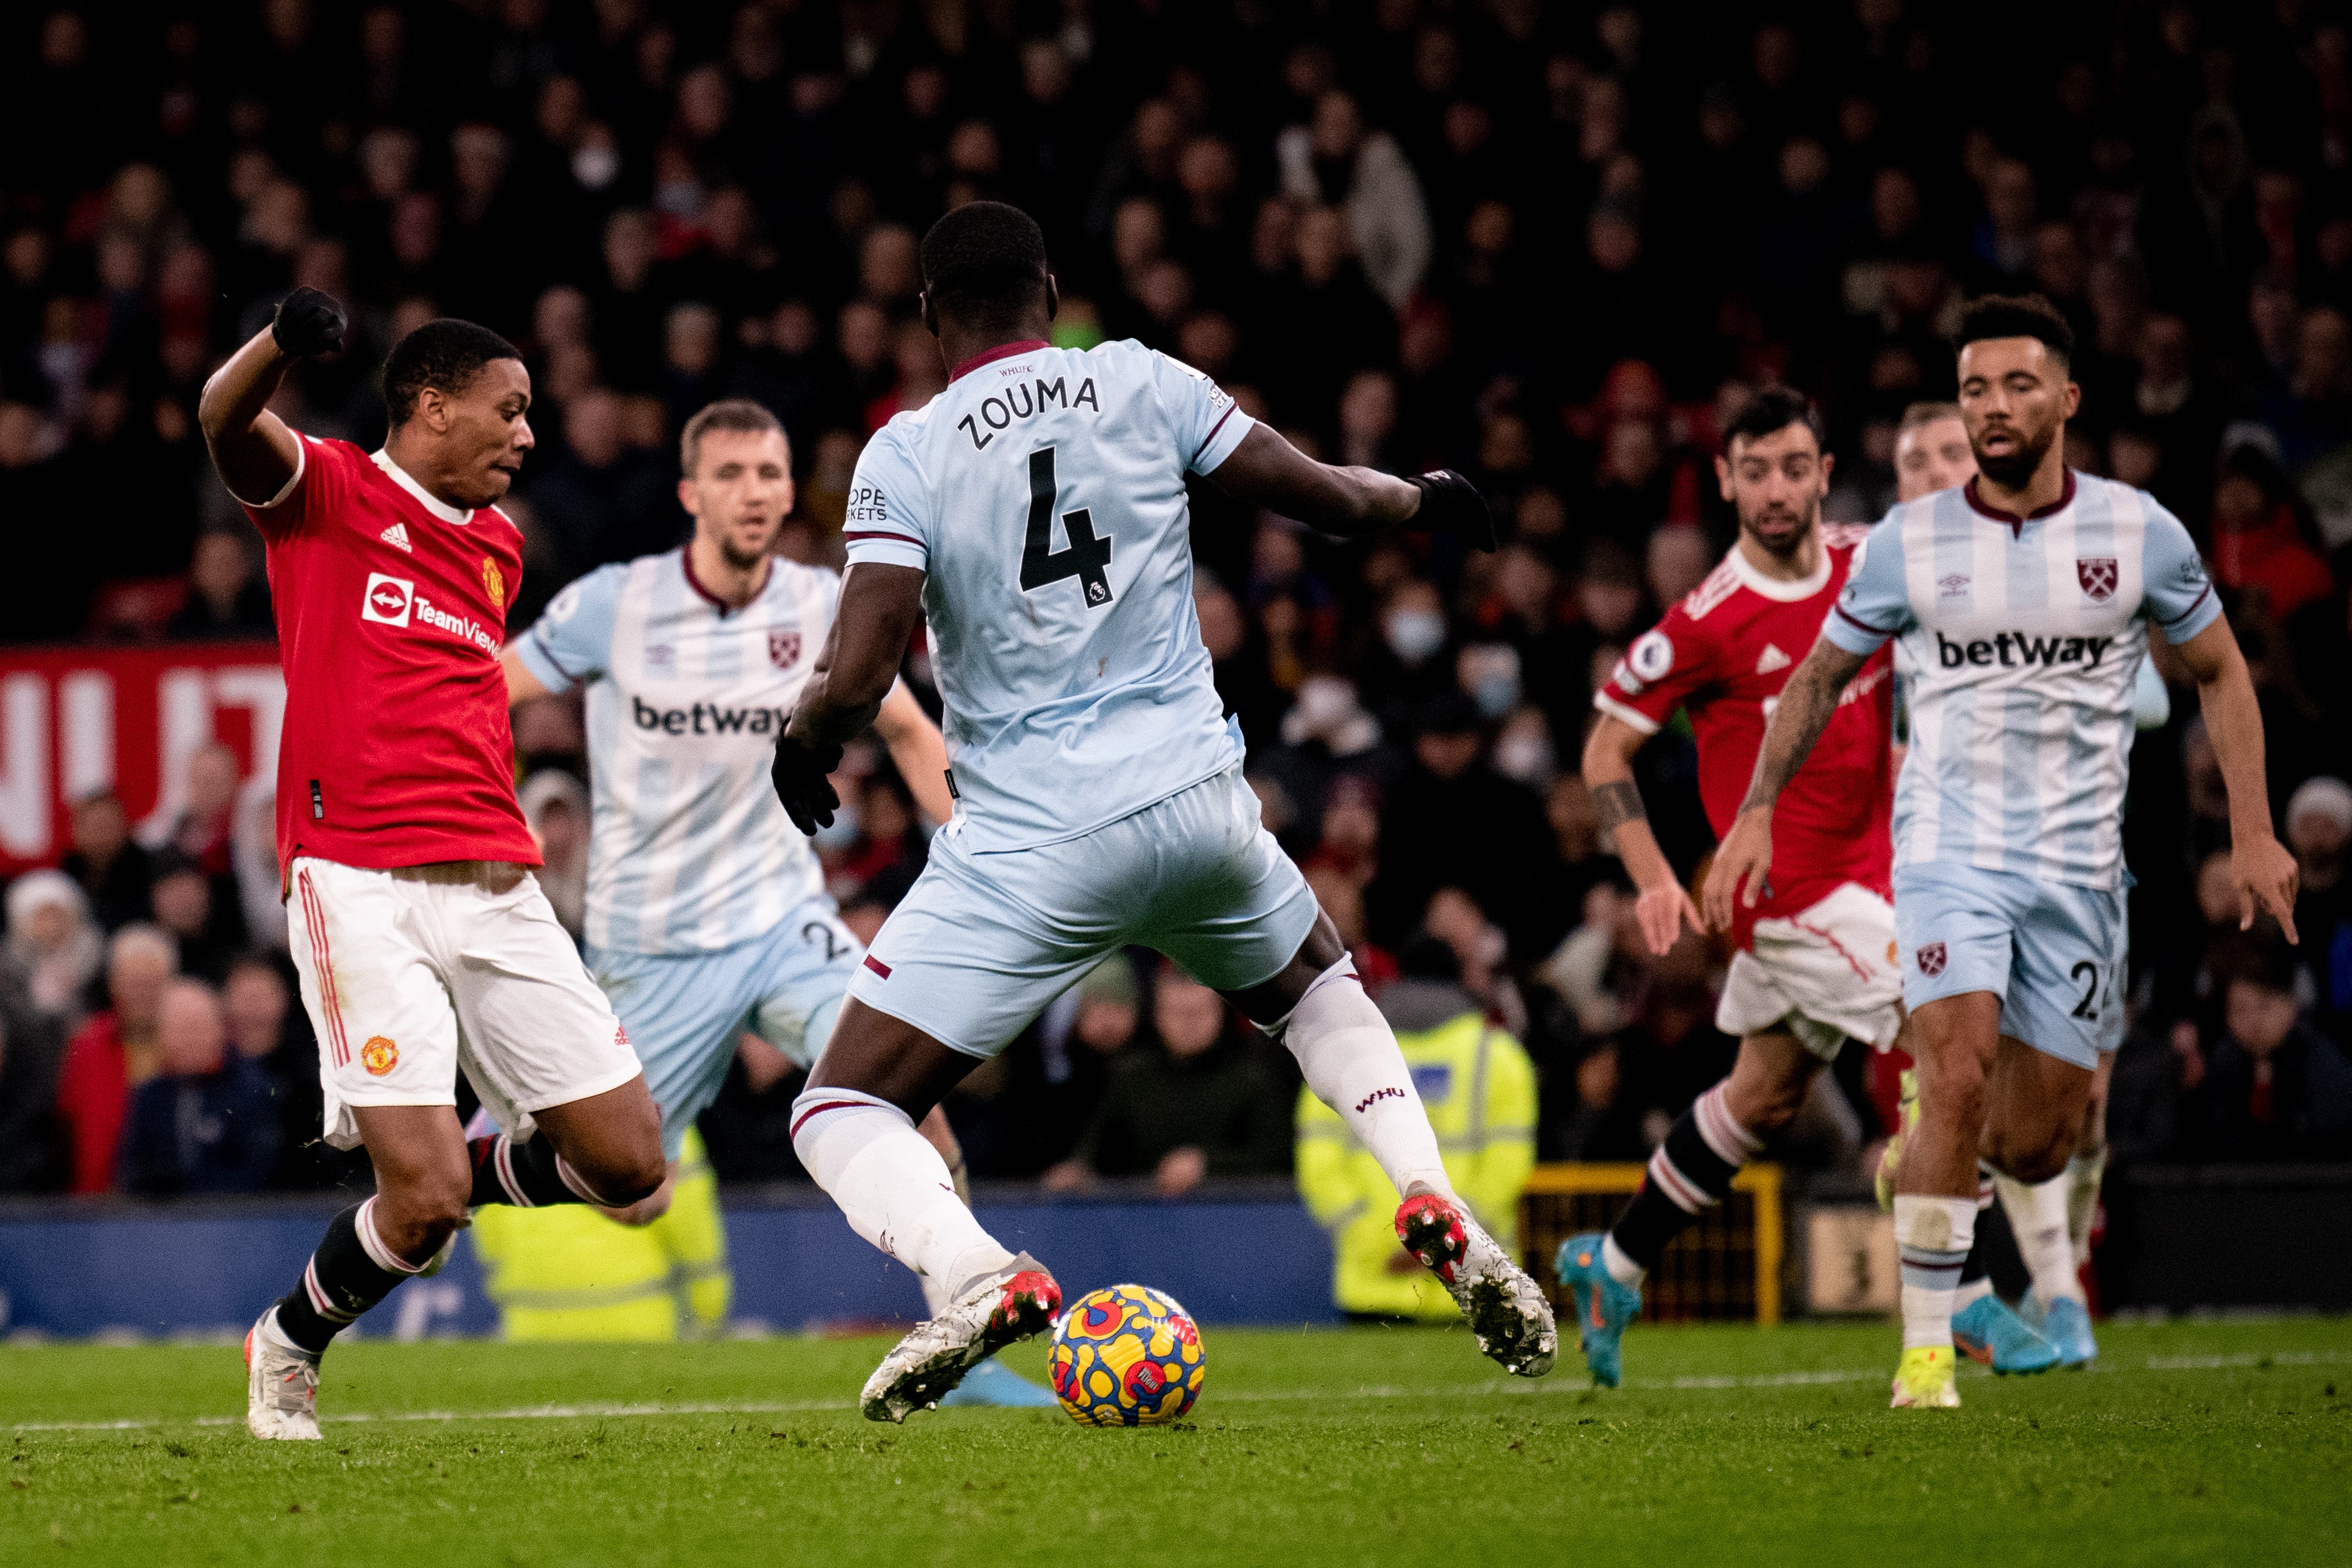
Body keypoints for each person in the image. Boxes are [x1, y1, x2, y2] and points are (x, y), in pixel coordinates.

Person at [769, 201, 1551, 1423]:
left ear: (929, 318)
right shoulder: (1143, 382)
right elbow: (1326, 500)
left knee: (839, 1104)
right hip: (1194, 804)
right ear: (1051, 288)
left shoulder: (905, 453)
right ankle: (1427, 1190)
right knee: (1316, 989)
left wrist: (804, 742)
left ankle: (974, 1274)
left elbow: (863, 667)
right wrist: (1421, 499)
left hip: (1032, 844)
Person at [1703, 294, 2299, 1409]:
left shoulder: (2137, 532)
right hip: (1945, 855)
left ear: (2065, 400)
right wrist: (1752, 812)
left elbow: (2219, 670)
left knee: (2037, 1142)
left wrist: (2254, 829)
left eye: (2016, 386)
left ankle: (1941, 1172)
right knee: (1954, 1071)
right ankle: (1925, 1352)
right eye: (1974, 387)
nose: (1991, 407)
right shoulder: (1910, 540)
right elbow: (1816, 680)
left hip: (2076, 872)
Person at [501, 397, 1049, 1407]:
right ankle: (487, 1122)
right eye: (733, 474)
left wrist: (980, 853)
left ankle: (968, 1330)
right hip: (651, 945)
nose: (754, 493)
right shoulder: (614, 605)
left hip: (785, 920)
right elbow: (485, 693)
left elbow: (913, 734)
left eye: (770, 474)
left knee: (904, 1089)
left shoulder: (822, 605)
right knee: (631, 1193)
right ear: (690, 492)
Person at [198, 288, 666, 1440]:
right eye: (508, 411)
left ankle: (451, 1160)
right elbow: (220, 419)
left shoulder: (502, 547)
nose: (527, 434)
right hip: (356, 878)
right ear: (430, 404)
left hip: (498, 882)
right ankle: (291, 1341)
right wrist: (278, 345)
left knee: (627, 1166)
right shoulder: (331, 491)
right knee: (421, 1206)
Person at [1554, 389, 2001, 1385]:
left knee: (1758, 1097)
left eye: (1792, 468)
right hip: (1786, 896)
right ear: (1723, 480)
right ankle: (1957, 1300)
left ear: (1823, 472)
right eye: (1751, 470)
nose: (1772, 488)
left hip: (1876, 870)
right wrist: (1655, 875)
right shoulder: (1707, 621)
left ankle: (1611, 1260)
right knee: (1953, 1035)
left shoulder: (1862, 558)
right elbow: (1602, 750)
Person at [1298, 938, 1535, 1320]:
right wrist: (1445, 1245)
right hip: (1475, 1282)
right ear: (1459, 981)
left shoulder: (1340, 1053)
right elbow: (1508, 1168)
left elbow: (1321, 1169)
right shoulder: (1497, 1055)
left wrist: (1390, 1243)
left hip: (1374, 1285)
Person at [1043, 968, 1292, 1195]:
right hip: (1145, 1222)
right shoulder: (1133, 1077)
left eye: (1199, 1012)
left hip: (1232, 1221)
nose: (1188, 1024)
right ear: (1157, 1015)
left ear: (1220, 1013)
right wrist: (1077, 1168)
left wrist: (1209, 1166)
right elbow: (1097, 1144)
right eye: (1177, 1013)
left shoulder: (1252, 1078)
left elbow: (1276, 1158)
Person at [117, 978, 280, 1194]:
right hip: (162, 1224)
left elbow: (262, 1173)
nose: (189, 1040)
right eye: (179, 1030)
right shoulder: (149, 1097)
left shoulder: (253, 1089)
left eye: (196, 1028)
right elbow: (133, 1173)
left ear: (219, 1029)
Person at [53, 923, 176, 1194]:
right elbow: (63, 1126)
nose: (143, 993)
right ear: (113, 986)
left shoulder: (189, 1043)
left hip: (170, 1207)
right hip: (94, 1202)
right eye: (133, 983)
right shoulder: (87, 1045)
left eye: (153, 982)